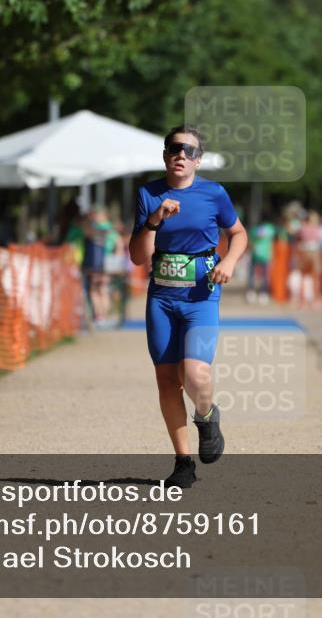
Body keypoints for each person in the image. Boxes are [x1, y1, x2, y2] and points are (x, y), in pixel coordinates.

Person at [128, 125, 248, 489]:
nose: (181, 155)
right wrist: (155, 220)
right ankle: (183, 463)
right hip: (162, 299)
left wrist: (227, 262)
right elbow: (137, 257)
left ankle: (207, 416)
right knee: (167, 381)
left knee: (195, 375)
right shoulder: (149, 194)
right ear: (165, 156)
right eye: (174, 149)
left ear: (198, 159)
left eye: (189, 150)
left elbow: (239, 234)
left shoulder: (213, 193)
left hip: (201, 296)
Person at [295, 210, 322, 308]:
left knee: (303, 276)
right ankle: (315, 301)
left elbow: (298, 237)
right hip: (315, 252)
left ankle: (303, 301)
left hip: (305, 251)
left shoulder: (304, 228)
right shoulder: (318, 229)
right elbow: (320, 239)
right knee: (315, 278)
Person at [247, 216, 276, 305]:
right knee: (264, 276)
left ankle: (252, 292)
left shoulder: (254, 230)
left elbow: (251, 241)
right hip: (265, 255)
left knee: (253, 275)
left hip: (256, 255)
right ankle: (262, 293)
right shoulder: (271, 229)